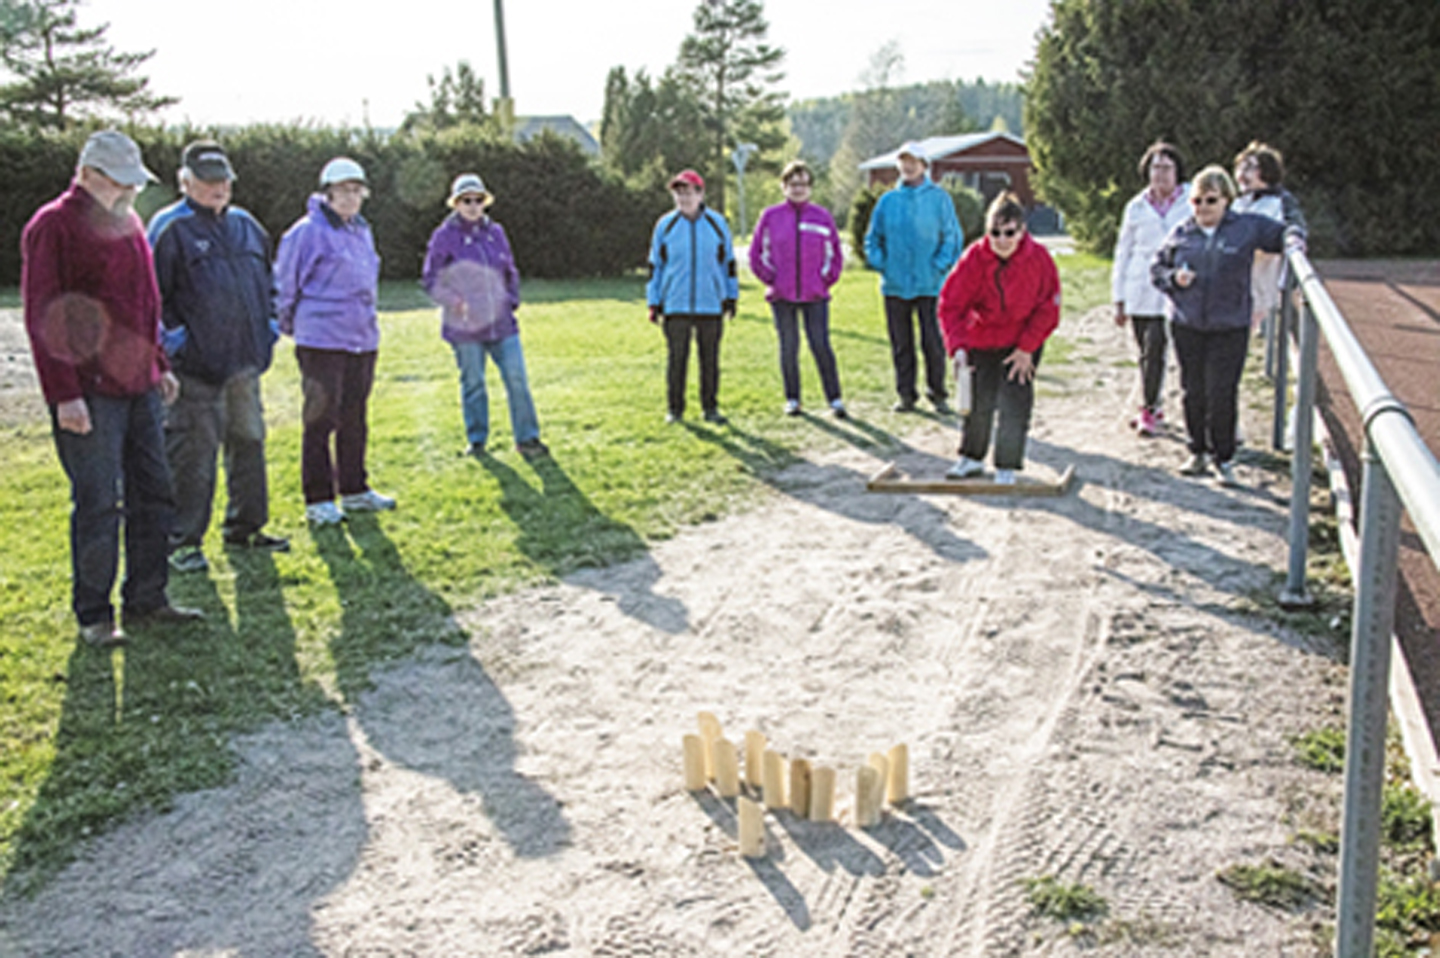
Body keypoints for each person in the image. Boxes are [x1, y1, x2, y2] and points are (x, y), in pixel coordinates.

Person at [21, 130, 204, 646]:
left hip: (139, 385)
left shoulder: (129, 222)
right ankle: (95, 615)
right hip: (89, 391)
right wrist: (64, 395)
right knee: (100, 501)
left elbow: (145, 303)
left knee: (155, 493)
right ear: (88, 175)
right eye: (120, 182)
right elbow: (43, 315)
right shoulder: (52, 226)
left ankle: (148, 597)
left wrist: (160, 362)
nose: (128, 191)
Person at [147, 141, 288, 573]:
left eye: (224, 180)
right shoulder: (170, 228)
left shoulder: (246, 225)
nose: (218, 188)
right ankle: (181, 541)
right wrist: (177, 344)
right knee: (193, 457)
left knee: (249, 443)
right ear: (185, 181)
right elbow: (152, 298)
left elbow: (267, 281)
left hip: (244, 363)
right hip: (194, 371)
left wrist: (268, 328)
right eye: (208, 181)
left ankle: (246, 528)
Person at [1150, 164, 1305, 486]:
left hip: (1229, 324)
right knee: (1193, 391)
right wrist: (1174, 279)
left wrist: (1295, 239)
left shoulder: (1246, 227)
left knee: (1222, 392)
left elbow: (1283, 233)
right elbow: (1157, 268)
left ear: (1226, 201)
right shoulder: (1182, 232)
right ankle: (1197, 451)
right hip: (1187, 323)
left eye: (1211, 200)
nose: (1204, 208)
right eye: (1197, 202)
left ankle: (1225, 457)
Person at [275, 156, 394, 524]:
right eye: (343, 190)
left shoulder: (361, 230)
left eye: (357, 190)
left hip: (361, 337)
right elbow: (285, 284)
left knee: (355, 415)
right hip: (321, 338)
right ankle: (318, 498)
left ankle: (355, 489)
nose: (350, 197)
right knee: (320, 418)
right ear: (327, 193)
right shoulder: (306, 231)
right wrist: (293, 326)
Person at [937, 192, 1061, 485]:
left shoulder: (1039, 259)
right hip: (982, 337)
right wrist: (957, 348)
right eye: (995, 233)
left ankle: (1007, 463)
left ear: (1021, 231)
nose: (1002, 240)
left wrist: (1027, 348)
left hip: (1022, 339)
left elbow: (1049, 308)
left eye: (1009, 233)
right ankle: (971, 457)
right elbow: (950, 305)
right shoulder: (975, 258)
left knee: (1014, 400)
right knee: (977, 400)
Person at [422, 172, 547, 459]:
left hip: (502, 325)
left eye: (478, 199)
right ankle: (477, 441)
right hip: (465, 328)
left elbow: (510, 270)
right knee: (473, 383)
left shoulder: (496, 232)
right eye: (466, 200)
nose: (473, 205)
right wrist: (454, 302)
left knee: (517, 379)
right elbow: (431, 279)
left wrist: (512, 299)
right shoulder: (444, 237)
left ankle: (528, 439)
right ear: (455, 203)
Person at [863, 141, 963, 413]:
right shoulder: (888, 201)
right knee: (901, 344)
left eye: (914, 162)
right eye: (904, 161)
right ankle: (906, 395)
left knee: (932, 341)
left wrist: (939, 265)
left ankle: (938, 393)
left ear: (924, 166)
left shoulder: (939, 199)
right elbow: (873, 239)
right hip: (895, 286)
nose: (908, 166)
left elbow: (952, 238)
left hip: (929, 285)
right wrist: (882, 264)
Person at [748, 159, 847, 418]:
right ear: (783, 186)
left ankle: (834, 399)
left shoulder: (822, 216)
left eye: (803, 184)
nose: (798, 189)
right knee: (788, 348)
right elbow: (756, 253)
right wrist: (772, 279)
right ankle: (793, 399)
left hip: (815, 296)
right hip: (782, 297)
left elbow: (834, 254)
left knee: (821, 345)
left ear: (810, 187)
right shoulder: (770, 216)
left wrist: (824, 280)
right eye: (793, 184)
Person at [646, 169, 739, 424]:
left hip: (710, 303)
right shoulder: (665, 226)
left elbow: (729, 263)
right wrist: (654, 301)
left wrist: (731, 297)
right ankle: (675, 410)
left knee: (710, 360)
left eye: (688, 192)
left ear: (701, 193)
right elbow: (655, 266)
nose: (683, 197)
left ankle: (710, 407)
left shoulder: (717, 224)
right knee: (677, 359)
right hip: (675, 304)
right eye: (678, 192)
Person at [1111, 141, 1190, 437]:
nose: (1160, 175)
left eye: (1167, 168)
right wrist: (1118, 299)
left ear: (1177, 172)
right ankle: (1151, 404)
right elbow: (1123, 251)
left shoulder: (1191, 201)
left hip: (1176, 285)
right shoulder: (1136, 206)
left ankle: (1156, 406)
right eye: (1155, 168)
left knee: (1162, 348)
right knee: (1146, 348)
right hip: (1140, 287)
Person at [1232, 140, 1307, 333]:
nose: (1241, 172)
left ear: (1266, 171)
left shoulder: (1281, 200)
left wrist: (1295, 237)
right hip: (1242, 284)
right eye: (1240, 166)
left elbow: (1295, 225)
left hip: (1274, 284)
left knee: (1283, 333)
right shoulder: (1237, 202)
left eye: (1249, 167)